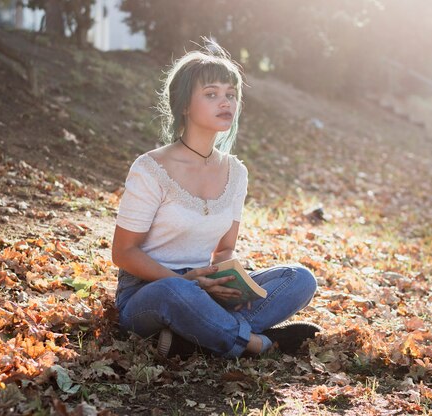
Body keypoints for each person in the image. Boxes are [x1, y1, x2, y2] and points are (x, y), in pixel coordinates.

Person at [111, 39, 319, 359]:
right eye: (211, 94)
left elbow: (223, 250)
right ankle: (257, 343)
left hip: (206, 291)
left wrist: (232, 285)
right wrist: (191, 283)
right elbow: (123, 252)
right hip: (149, 293)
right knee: (176, 292)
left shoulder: (235, 172)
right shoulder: (151, 168)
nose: (225, 102)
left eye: (230, 94)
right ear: (183, 105)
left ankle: (195, 338)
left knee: (299, 279)